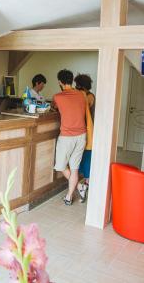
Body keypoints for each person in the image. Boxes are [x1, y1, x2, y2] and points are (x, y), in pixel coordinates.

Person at [52, 69, 87, 205]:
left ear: (60, 82)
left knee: (60, 166)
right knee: (74, 168)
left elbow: (52, 108)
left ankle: (77, 189)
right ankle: (70, 195)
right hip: (82, 135)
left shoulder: (58, 97)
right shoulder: (81, 95)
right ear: (71, 80)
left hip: (67, 136)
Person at [74, 74, 95, 202]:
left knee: (87, 156)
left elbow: (82, 107)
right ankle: (85, 182)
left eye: (77, 85)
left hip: (88, 130)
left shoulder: (89, 96)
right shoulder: (83, 95)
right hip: (82, 130)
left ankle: (87, 183)